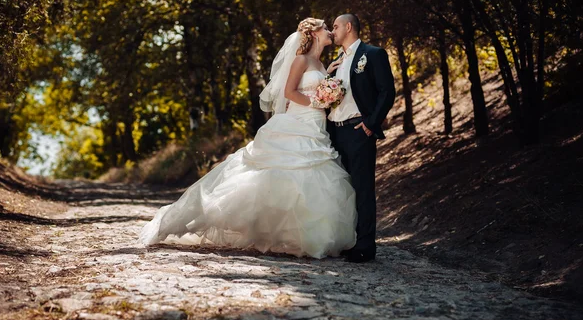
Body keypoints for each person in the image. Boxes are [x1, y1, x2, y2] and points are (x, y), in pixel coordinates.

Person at [139, 18, 357, 259]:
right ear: (314, 33)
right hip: (298, 122)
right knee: (284, 175)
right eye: (325, 28)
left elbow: (316, 87)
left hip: (316, 125)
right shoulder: (301, 59)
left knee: (313, 178)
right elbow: (289, 92)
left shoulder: (320, 62)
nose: (329, 31)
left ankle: (308, 236)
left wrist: (328, 83)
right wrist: (317, 102)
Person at [327, 14, 395, 263]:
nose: (332, 31)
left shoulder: (374, 54)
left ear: (348, 27)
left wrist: (371, 123)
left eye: (335, 26)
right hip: (335, 131)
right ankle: (348, 240)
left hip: (358, 130)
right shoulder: (336, 61)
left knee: (363, 189)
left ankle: (366, 245)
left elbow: (387, 91)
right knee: (342, 189)